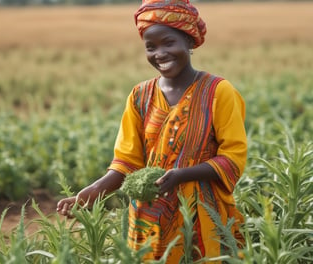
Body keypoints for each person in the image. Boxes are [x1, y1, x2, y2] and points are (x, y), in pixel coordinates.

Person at [57, 0, 247, 262]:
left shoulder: (218, 91)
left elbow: (233, 156)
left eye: (168, 43)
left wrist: (182, 175)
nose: (160, 53)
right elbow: (127, 161)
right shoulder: (139, 96)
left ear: (190, 41)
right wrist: (92, 192)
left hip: (203, 218)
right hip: (148, 222)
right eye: (151, 47)